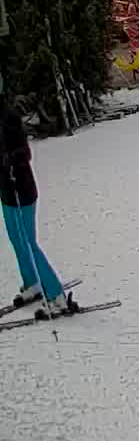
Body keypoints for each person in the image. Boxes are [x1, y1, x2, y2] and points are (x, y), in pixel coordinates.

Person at [2, 97, 79, 317]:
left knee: (27, 242)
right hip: (6, 191)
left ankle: (56, 295)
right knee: (16, 239)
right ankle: (32, 283)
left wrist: (10, 160)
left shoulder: (8, 117)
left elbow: (24, 153)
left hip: (20, 188)